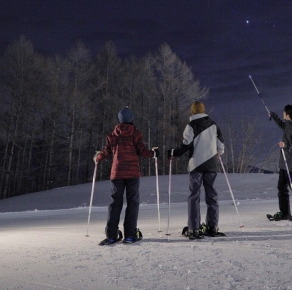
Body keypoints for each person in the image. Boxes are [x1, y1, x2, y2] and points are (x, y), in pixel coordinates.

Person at [95, 106, 157, 244]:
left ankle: (111, 236)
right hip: (132, 172)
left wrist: (97, 157)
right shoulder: (135, 133)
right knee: (132, 202)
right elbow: (141, 151)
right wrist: (153, 154)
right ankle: (129, 234)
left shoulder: (113, 135)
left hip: (117, 172)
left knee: (115, 203)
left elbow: (106, 152)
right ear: (131, 118)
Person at [168, 100, 225, 239]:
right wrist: (219, 152)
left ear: (192, 111)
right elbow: (220, 143)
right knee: (212, 195)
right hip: (211, 164)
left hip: (196, 165)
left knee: (194, 196)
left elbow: (186, 145)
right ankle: (212, 227)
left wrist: (174, 153)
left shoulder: (191, 126)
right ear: (203, 110)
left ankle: (194, 229)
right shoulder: (213, 124)